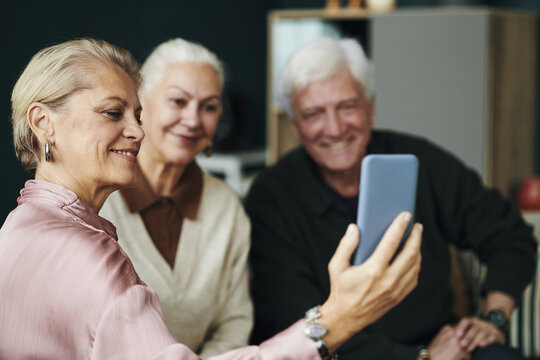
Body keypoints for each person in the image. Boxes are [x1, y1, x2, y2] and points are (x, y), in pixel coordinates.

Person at [0, 38, 423, 359]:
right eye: (114, 113)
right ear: (43, 123)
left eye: (137, 115)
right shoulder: (91, 255)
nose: (137, 131)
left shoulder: (20, 225)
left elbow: (234, 323)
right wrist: (335, 321)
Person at [245, 37, 538, 360]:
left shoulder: (419, 160)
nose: (335, 128)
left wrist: (493, 317)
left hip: (445, 345)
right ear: (294, 126)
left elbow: (510, 235)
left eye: (348, 107)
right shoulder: (271, 196)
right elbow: (300, 322)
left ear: (371, 108)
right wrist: (423, 358)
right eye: (314, 114)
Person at [99, 38, 251, 358]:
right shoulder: (98, 197)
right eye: (178, 101)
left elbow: (234, 326)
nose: (194, 120)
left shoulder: (227, 208)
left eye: (208, 107)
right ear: (143, 102)